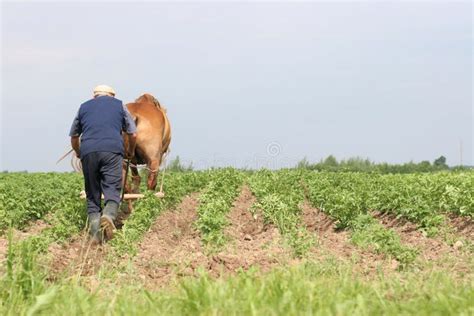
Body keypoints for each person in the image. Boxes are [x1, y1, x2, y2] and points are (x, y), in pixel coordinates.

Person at [69, 85, 137, 244]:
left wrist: (79, 152)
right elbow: (132, 133)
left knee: (92, 195)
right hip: (112, 151)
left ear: (95, 97)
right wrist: (131, 151)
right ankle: (109, 215)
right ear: (112, 96)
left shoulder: (83, 107)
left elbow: (74, 136)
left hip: (88, 151)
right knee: (112, 189)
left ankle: (95, 236)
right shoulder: (120, 105)